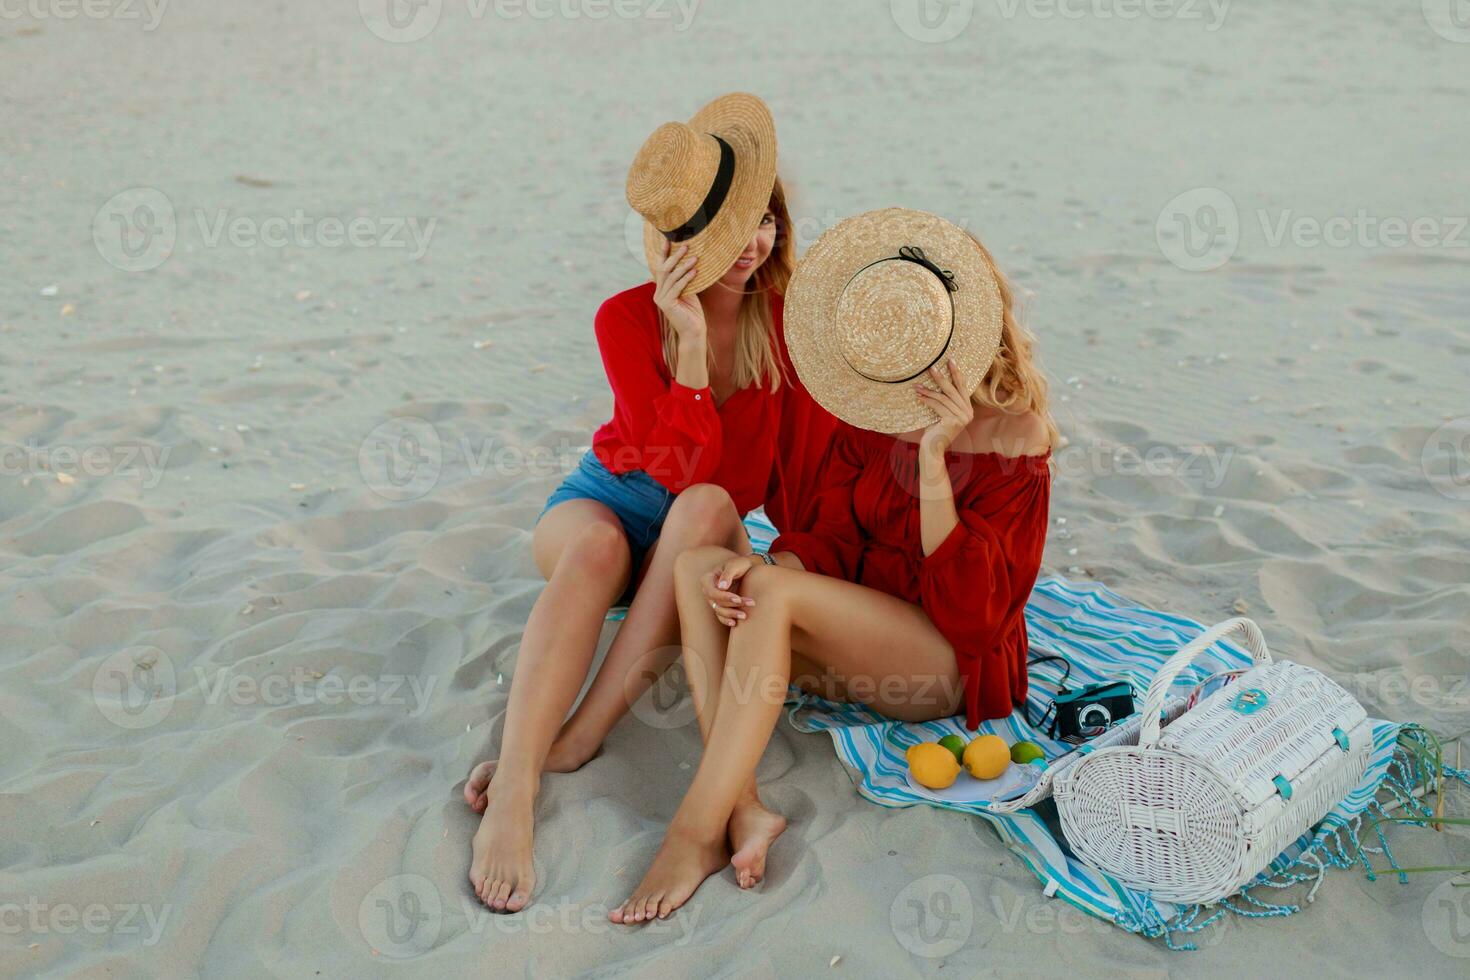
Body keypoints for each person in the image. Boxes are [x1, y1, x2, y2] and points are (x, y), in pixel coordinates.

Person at [610, 208, 1055, 923]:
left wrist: (935, 464)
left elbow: (976, 618)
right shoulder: (873, 409)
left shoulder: (1015, 434)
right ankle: (746, 807)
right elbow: (833, 536)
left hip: (944, 665)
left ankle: (694, 831)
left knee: (771, 592)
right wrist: (772, 563)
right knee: (704, 568)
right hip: (862, 642)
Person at [467, 94, 835, 913]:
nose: (752, 243)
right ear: (681, 244)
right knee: (599, 549)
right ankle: (521, 785)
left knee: (705, 504)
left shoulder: (789, 328)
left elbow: (784, 478)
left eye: (764, 220)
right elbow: (667, 463)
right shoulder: (627, 317)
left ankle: (582, 737)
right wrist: (693, 352)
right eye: (724, 231)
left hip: (699, 524)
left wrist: (791, 561)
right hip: (609, 499)